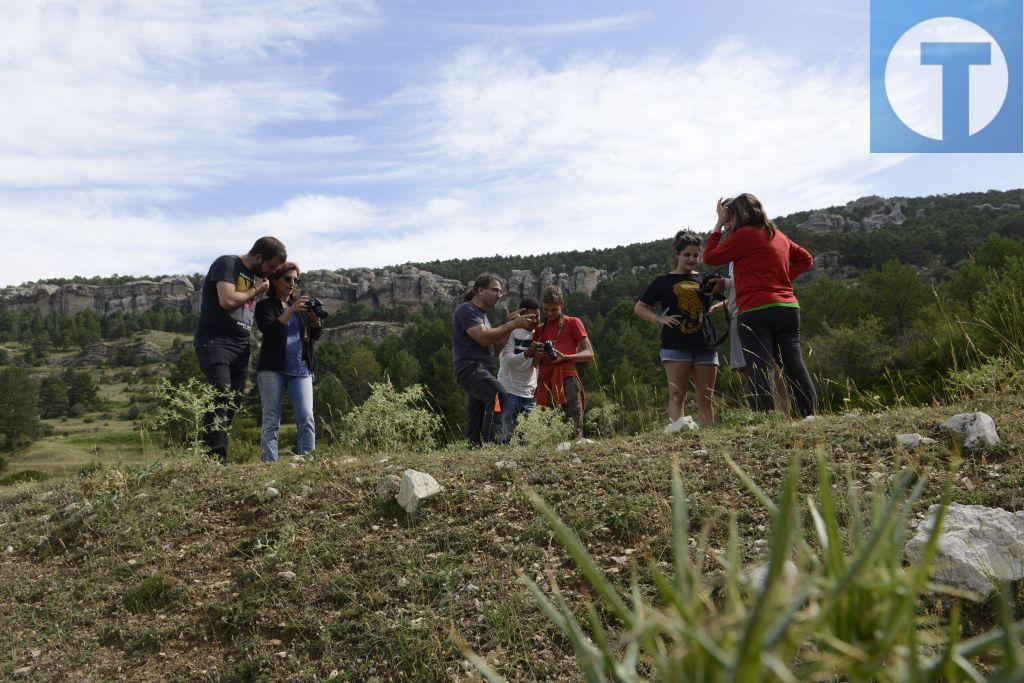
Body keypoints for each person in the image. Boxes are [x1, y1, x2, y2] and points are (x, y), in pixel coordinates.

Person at [703, 193, 817, 417]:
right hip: (788, 308)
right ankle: (809, 416)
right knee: (794, 366)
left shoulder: (744, 235)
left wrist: (718, 224)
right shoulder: (777, 235)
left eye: (730, 216)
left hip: (755, 310)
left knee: (759, 369)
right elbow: (806, 259)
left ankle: (766, 422)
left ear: (737, 215)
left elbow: (710, 257)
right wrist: (779, 279)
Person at [193, 237, 287, 463]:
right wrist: (256, 290)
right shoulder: (227, 264)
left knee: (232, 400)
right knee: (220, 393)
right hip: (216, 341)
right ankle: (215, 459)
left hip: (241, 345)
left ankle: (211, 454)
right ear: (258, 256)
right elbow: (227, 300)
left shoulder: (257, 276)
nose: (271, 272)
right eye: (271, 266)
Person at [634, 230, 723, 426]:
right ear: (677, 255)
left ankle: (709, 439)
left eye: (695, 255)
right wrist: (659, 319)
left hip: (705, 344)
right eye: (687, 255)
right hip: (675, 345)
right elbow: (640, 308)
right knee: (676, 396)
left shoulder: (705, 280)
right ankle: (679, 437)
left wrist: (716, 307)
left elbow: (730, 298)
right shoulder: (662, 282)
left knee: (706, 398)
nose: (691, 259)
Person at [452, 274, 537, 447]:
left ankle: (473, 446)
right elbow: (483, 338)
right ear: (480, 290)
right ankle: (493, 444)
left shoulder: (483, 316)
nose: (499, 294)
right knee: (499, 395)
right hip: (470, 368)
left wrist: (508, 327)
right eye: (495, 290)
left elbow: (495, 349)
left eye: (501, 291)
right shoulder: (466, 309)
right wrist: (512, 326)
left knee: (476, 411)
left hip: (483, 369)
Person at [254, 262, 322, 463]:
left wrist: (315, 321)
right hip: (272, 370)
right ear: (275, 280)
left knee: (307, 417)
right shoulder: (264, 306)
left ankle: (307, 462)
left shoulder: (301, 307)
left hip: (301, 369)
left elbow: (315, 335)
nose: (292, 284)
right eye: (287, 279)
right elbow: (270, 331)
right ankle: (269, 464)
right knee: (271, 419)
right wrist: (291, 310)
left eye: (295, 280)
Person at [722, 268, 791, 415]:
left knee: (768, 367)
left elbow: (752, 279)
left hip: (750, 313)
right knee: (753, 369)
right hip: (746, 311)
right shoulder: (733, 259)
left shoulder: (745, 251)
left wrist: (725, 283)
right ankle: (772, 413)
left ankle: (776, 414)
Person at [531, 285, 594, 438]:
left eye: (554, 310)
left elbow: (589, 354)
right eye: (546, 310)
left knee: (574, 429)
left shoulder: (573, 322)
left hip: (568, 380)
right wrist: (537, 354)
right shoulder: (539, 329)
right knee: (549, 432)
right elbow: (534, 365)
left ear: (562, 305)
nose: (549, 314)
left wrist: (566, 358)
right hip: (545, 384)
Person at [497, 297, 540, 443]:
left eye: (537, 317)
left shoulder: (539, 333)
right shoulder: (510, 331)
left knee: (529, 441)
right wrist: (527, 353)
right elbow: (507, 360)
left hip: (530, 394)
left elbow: (538, 365)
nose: (534, 321)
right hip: (508, 392)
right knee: (504, 438)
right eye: (530, 317)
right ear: (522, 315)